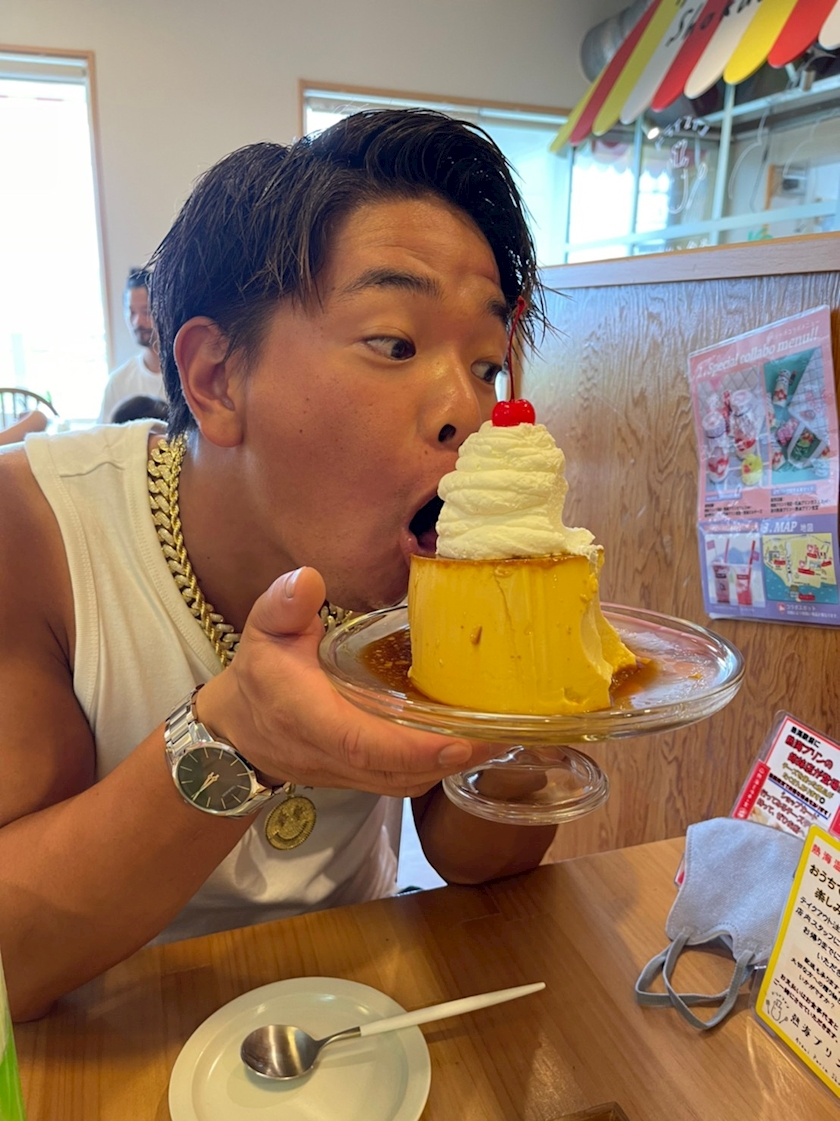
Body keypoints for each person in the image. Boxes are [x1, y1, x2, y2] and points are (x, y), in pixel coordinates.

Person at [0, 109, 557, 1022]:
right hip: (110, 1036)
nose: (468, 407)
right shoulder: (32, 527)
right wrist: (239, 736)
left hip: (358, 1014)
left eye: (487, 363)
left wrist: (531, 698)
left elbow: (470, 857)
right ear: (216, 377)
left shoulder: (411, 551)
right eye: (397, 343)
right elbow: (13, 957)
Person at [97, 268, 166, 423]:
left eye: (146, 312)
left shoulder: (186, 376)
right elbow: (106, 434)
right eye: (132, 312)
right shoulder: (118, 382)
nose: (137, 322)